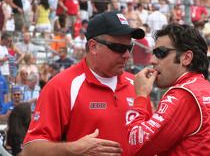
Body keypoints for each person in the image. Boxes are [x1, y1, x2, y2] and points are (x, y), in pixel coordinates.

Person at [22, 11, 145, 156]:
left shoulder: (138, 85)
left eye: (129, 47)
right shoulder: (62, 86)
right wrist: (72, 149)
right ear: (93, 47)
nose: (126, 55)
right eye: (118, 48)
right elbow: (30, 151)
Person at [125, 23, 210, 155]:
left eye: (160, 53)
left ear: (186, 58)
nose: (152, 60)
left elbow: (136, 145)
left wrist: (141, 96)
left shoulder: (184, 93)